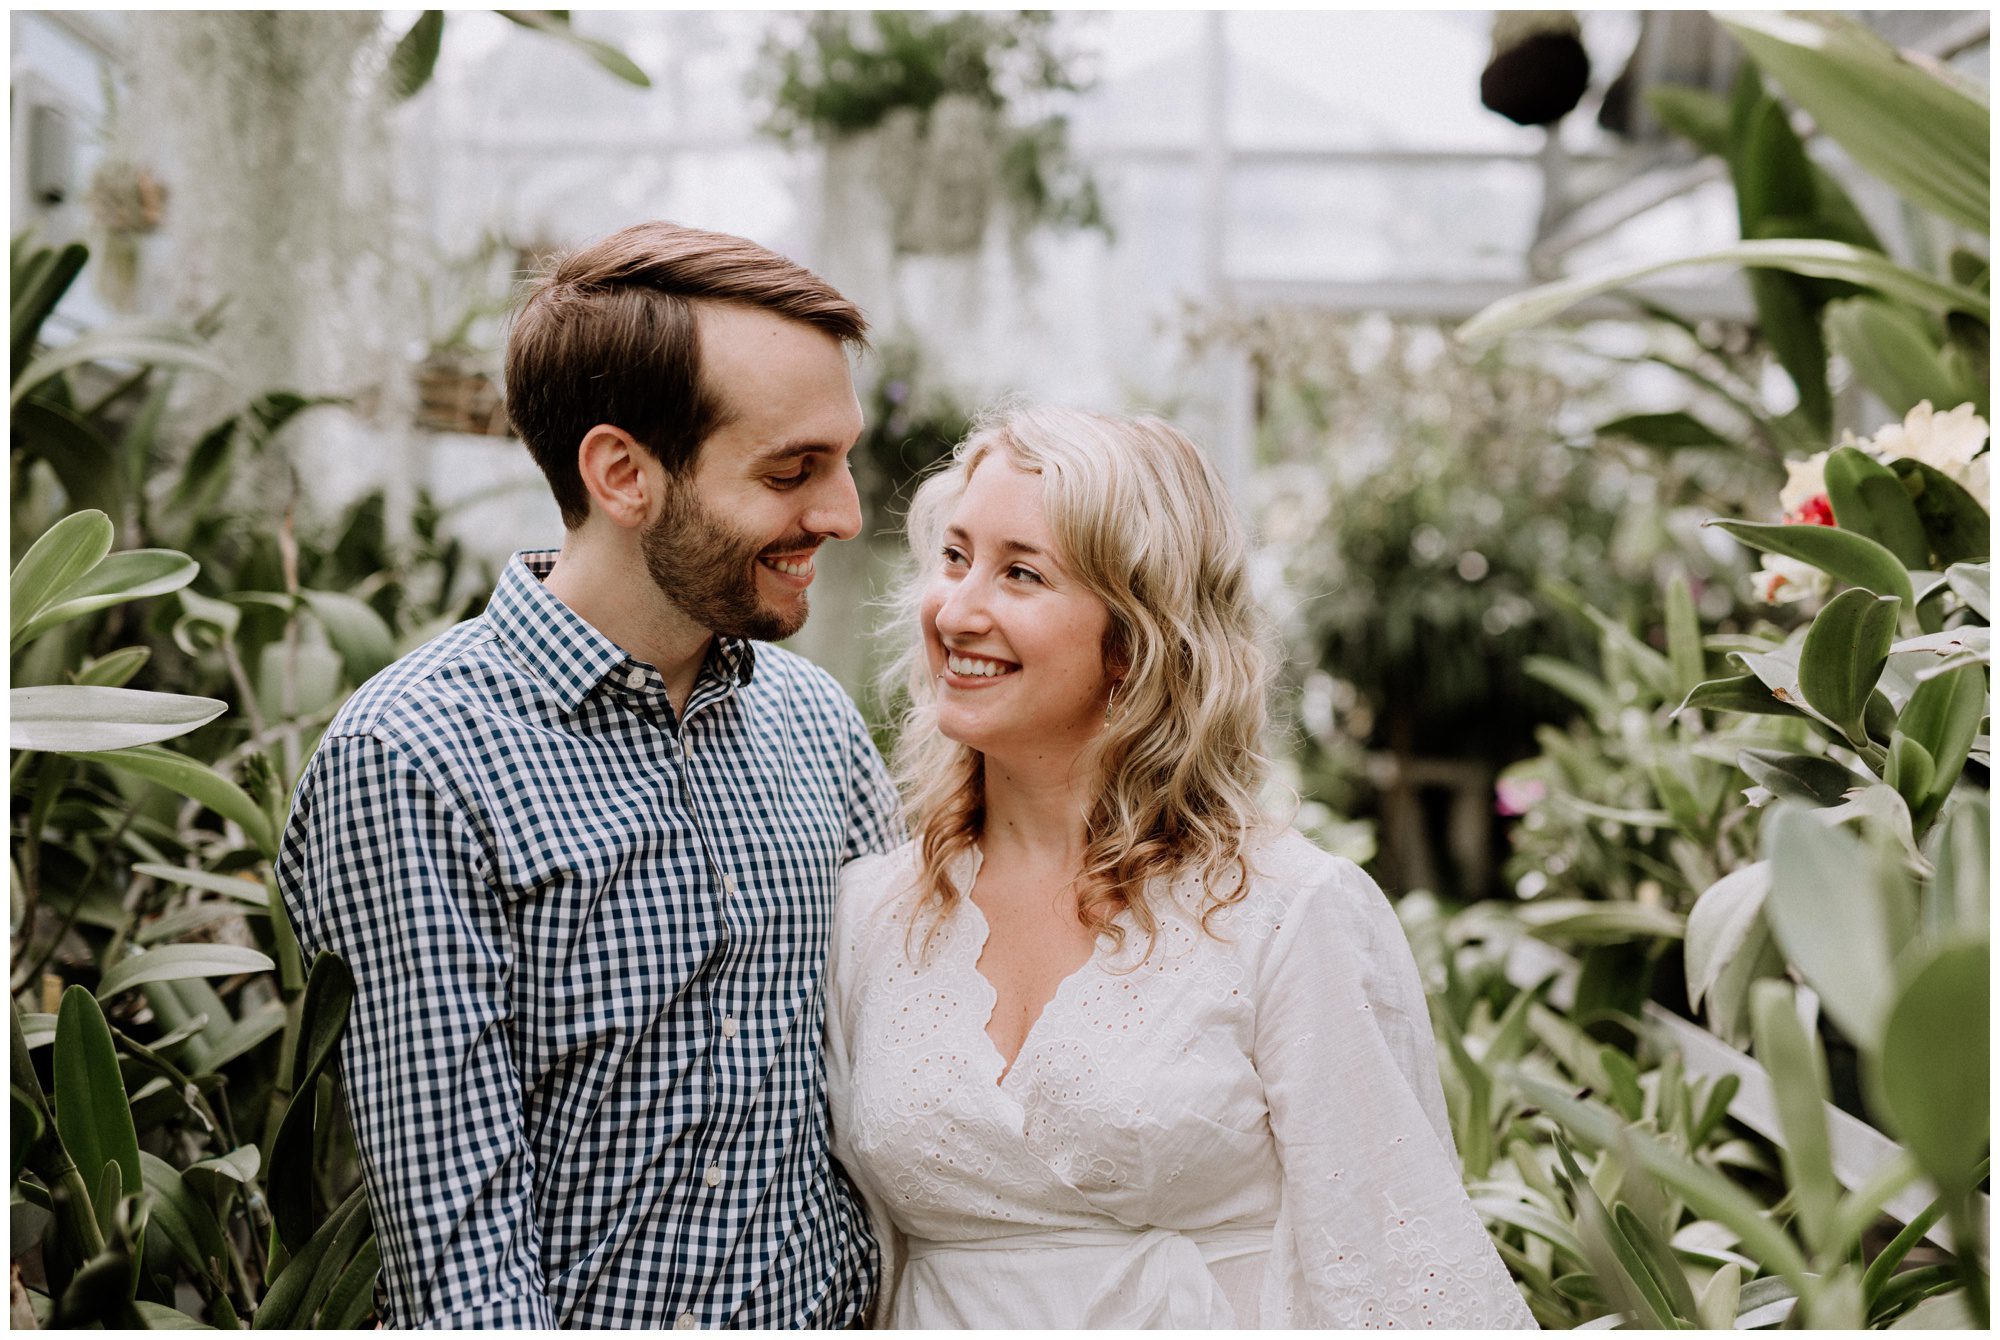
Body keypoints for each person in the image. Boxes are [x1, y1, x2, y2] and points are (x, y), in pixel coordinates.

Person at [275, 222, 901, 1328]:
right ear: (622, 473)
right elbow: (456, 1257)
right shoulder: (415, 761)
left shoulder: (817, 726)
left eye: (842, 458)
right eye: (791, 470)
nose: (843, 513)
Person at [826, 405, 1539, 1328]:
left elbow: (1396, 1268)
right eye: (955, 558)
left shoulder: (1285, 912)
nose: (958, 610)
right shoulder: (871, 914)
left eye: (1021, 573)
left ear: (1137, 634)